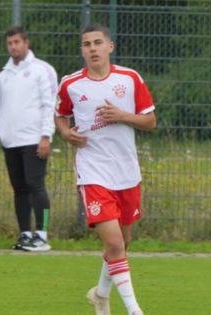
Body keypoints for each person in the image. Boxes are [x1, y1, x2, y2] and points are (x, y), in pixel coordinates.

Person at [55, 23, 155, 315]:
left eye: (98, 42)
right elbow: (60, 115)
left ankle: (100, 294)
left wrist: (123, 116)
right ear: (82, 51)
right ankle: (134, 310)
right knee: (113, 241)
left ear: (110, 46)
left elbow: (150, 122)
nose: (93, 48)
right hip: (93, 170)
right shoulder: (71, 84)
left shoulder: (129, 78)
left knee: (123, 242)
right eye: (87, 44)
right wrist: (65, 132)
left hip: (126, 171)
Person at [0, 26, 57, 251]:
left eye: (17, 42)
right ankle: (25, 234)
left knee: (35, 185)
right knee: (19, 188)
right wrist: (1, 131)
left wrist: (46, 136)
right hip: (11, 142)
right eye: (9, 43)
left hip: (35, 139)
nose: (13, 47)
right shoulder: (2, 75)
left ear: (26, 43)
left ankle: (42, 234)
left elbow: (50, 105)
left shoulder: (42, 70)